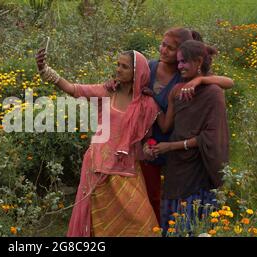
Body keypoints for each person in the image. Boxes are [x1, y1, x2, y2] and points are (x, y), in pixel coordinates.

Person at [106, 27, 234, 226]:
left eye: (170, 48)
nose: (163, 50)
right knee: (152, 195)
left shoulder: (196, 84)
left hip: (181, 151)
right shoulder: (157, 74)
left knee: (184, 200)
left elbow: (227, 82)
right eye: (163, 44)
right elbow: (137, 93)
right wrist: (125, 89)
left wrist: (200, 79)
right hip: (154, 145)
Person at [35, 48, 160, 236]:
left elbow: (145, 138)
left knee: (142, 221)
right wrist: (45, 69)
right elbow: (73, 89)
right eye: (118, 64)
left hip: (125, 169)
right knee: (96, 221)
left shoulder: (147, 104)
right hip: (97, 166)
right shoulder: (108, 92)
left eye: (124, 67)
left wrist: (148, 148)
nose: (118, 69)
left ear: (138, 73)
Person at [150, 40, 230, 235]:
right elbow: (166, 125)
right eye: (178, 62)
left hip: (199, 166)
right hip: (177, 167)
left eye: (184, 62)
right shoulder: (178, 90)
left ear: (199, 61)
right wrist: (151, 100)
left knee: (195, 219)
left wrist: (171, 146)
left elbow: (210, 137)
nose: (179, 67)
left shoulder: (213, 93)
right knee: (172, 220)